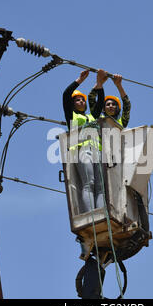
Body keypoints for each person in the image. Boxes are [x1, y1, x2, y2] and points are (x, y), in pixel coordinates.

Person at [62, 69, 106, 213]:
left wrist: (100, 84)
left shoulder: (91, 117)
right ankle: (91, 213)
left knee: (100, 186)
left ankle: (100, 213)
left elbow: (100, 104)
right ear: (72, 104)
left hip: (97, 151)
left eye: (82, 99)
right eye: (77, 100)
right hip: (82, 150)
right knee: (89, 183)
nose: (81, 101)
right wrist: (79, 80)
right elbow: (65, 95)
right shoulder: (72, 116)